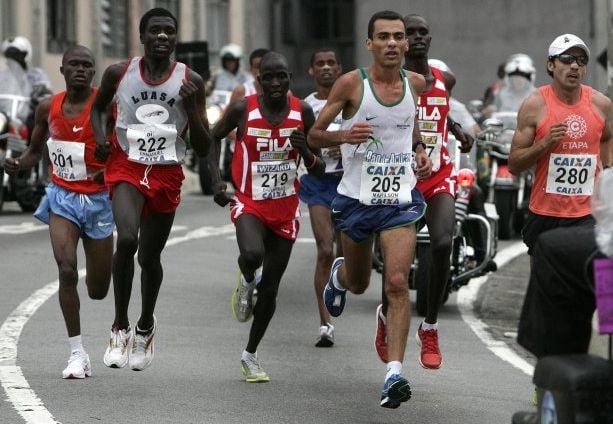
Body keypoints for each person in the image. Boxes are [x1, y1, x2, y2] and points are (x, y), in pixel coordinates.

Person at [308, 10, 431, 408]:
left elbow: (408, 123)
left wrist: (419, 149)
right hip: (357, 201)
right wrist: (345, 134)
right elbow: (313, 135)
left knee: (397, 283)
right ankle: (340, 277)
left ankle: (393, 375)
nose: (393, 43)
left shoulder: (417, 82)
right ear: (370, 44)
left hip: (400, 202)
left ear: (406, 44)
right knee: (361, 283)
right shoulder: (350, 85)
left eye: (398, 36)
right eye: (384, 37)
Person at [90, 7, 212, 371]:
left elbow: (204, 146)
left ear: (175, 39)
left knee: (149, 257)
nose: (162, 37)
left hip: (166, 172)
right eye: (155, 31)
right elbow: (99, 110)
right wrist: (100, 138)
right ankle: (119, 327)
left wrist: (192, 107)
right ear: (141, 37)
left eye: (169, 32)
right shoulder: (119, 73)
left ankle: (145, 325)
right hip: (126, 164)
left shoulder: (190, 81)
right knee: (126, 239)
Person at [208, 51, 324, 382]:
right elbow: (213, 137)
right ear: (259, 80)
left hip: (286, 210)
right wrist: (217, 180)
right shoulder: (244, 108)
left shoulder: (303, 111)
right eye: (268, 77)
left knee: (271, 288)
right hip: (250, 202)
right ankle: (246, 281)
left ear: (290, 79)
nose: (275, 82)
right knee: (252, 254)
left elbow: (320, 167)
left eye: (281, 76)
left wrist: (304, 151)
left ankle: (250, 355)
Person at [4, 45, 112, 379]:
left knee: (97, 290)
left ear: (93, 73)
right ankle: (77, 353)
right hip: (62, 197)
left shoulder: (106, 107)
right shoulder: (45, 108)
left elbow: (124, 148)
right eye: (74, 65)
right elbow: (36, 152)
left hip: (99, 200)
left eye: (87, 65)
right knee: (66, 270)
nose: (80, 70)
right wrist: (19, 164)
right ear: (62, 70)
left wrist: (108, 171)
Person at [373, 13, 473, 372]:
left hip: (438, 174)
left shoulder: (445, 79)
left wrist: (458, 129)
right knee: (396, 263)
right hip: (400, 176)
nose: (415, 38)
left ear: (430, 39)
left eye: (421, 32)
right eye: (408, 33)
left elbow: (438, 114)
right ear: (399, 41)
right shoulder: (391, 81)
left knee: (444, 241)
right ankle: (386, 317)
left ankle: (428, 327)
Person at [508, 33, 612, 260]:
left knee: (600, 277)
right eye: (566, 59)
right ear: (551, 64)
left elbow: (607, 137)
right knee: (545, 285)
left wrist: (608, 171)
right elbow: (514, 164)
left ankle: (605, 298)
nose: (574, 65)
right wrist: (544, 143)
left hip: (589, 212)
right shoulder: (534, 105)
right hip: (546, 212)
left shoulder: (601, 104)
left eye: (581, 61)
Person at [299, 47, 343, 347]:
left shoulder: (352, 102)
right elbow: (299, 143)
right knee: (325, 250)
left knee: (347, 257)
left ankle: (339, 284)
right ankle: (325, 324)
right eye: (320, 63)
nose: (326, 67)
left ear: (339, 69)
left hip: (350, 182)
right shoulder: (305, 108)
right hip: (317, 183)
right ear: (311, 71)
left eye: (331, 63)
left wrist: (349, 146)